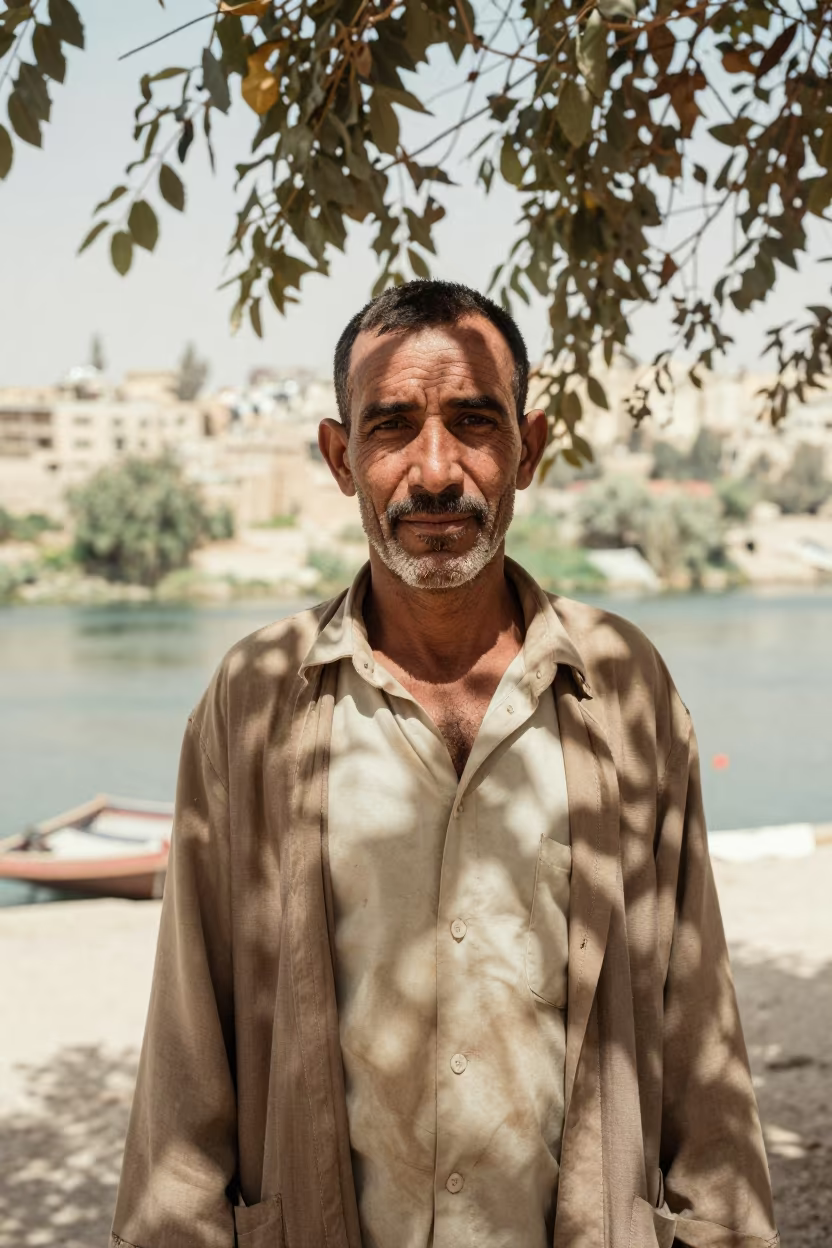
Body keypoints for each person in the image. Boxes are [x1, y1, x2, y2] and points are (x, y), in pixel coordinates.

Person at [110, 281, 779, 1248]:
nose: (434, 470)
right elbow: (187, 1054)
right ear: (342, 458)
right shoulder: (257, 699)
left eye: (473, 421)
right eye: (392, 426)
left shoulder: (621, 685)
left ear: (530, 447)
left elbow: (696, 1021)